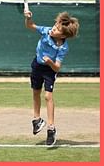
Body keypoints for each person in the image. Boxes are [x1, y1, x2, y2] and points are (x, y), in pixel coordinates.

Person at [24, 10, 79, 146]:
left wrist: (50, 62)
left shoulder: (63, 47)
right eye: (54, 26)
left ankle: (51, 128)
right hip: (37, 64)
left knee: (48, 96)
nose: (53, 29)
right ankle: (37, 120)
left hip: (49, 70)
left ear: (63, 35)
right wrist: (28, 18)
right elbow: (30, 26)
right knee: (35, 91)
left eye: (56, 29)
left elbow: (57, 68)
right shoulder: (46, 31)